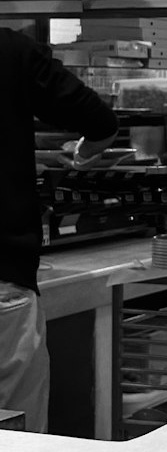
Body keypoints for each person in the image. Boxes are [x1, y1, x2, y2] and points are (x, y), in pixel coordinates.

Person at [0, 29, 118, 431]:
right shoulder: (11, 50)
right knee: (19, 449)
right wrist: (81, 155)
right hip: (3, 279)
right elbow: (101, 123)